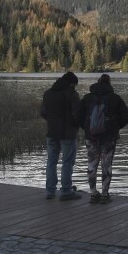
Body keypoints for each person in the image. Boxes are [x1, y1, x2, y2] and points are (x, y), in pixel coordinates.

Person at [77, 74, 128, 204]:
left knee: (92, 164)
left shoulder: (87, 98)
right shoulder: (115, 98)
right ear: (109, 84)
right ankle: (105, 194)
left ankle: (93, 193)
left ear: (97, 82)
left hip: (91, 137)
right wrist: (116, 127)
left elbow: (78, 115)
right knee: (106, 165)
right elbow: (126, 115)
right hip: (109, 137)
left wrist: (87, 128)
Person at [40, 72, 82, 201]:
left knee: (51, 161)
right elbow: (77, 115)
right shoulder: (72, 95)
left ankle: (50, 191)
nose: (75, 87)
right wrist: (76, 126)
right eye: (74, 85)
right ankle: (66, 191)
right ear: (71, 84)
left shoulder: (48, 93)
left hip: (52, 133)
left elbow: (43, 113)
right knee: (67, 162)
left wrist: (52, 121)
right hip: (67, 134)